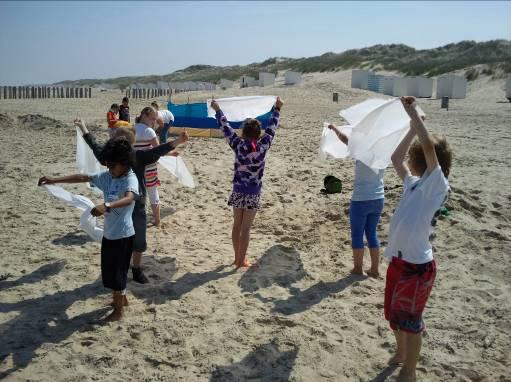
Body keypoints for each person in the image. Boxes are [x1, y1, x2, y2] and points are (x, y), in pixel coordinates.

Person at [384, 97, 452, 382]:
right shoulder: (413, 183)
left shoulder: (436, 186)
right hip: (398, 261)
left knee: (411, 322)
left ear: (423, 161)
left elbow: (427, 148)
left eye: (416, 156)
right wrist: (412, 127)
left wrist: (416, 116)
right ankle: (401, 354)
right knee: (394, 316)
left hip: (418, 266)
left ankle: (410, 370)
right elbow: (395, 159)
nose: (409, 159)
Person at [75, 119, 189, 284]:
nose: (115, 139)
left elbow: (158, 150)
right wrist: (83, 126)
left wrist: (179, 141)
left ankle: (136, 269)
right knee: (118, 240)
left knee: (139, 241)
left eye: (119, 138)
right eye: (115, 138)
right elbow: (95, 146)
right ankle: (121, 268)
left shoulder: (138, 156)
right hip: (116, 205)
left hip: (137, 205)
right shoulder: (109, 157)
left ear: (129, 143)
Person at [38, 138, 139, 321]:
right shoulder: (110, 176)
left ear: (124, 164)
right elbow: (84, 177)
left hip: (123, 236)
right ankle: (121, 300)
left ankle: (118, 312)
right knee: (110, 273)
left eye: (112, 165)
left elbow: (129, 198)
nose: (109, 169)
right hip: (110, 234)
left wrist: (106, 205)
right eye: (107, 165)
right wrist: (54, 180)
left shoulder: (130, 178)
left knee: (118, 274)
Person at [211, 97, 283, 268]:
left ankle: (237, 258)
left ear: (243, 132)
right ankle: (241, 260)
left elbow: (225, 127)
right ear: (259, 134)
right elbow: (272, 128)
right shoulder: (263, 145)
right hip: (253, 192)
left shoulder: (237, 144)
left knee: (237, 226)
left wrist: (217, 109)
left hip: (238, 190)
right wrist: (277, 108)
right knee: (246, 228)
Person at [327, 124, 385, 278]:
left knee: (358, 235)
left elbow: (344, 138)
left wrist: (334, 128)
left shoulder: (361, 151)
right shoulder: (383, 152)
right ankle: (374, 269)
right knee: (372, 234)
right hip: (378, 198)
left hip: (361, 199)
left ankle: (358, 268)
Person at [134, 106, 162, 227]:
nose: (154, 122)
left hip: (134, 167)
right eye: (152, 119)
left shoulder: (131, 129)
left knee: (135, 192)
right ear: (144, 116)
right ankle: (157, 221)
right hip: (149, 167)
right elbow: (159, 149)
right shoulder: (148, 131)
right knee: (153, 193)